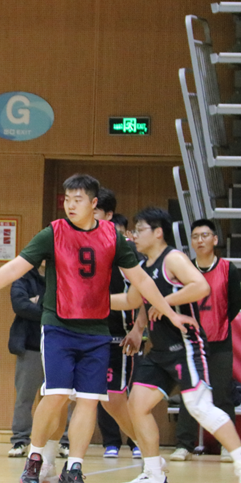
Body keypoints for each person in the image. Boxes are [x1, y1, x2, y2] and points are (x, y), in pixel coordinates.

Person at [0, 174, 196, 483]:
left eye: (78, 200)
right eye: (67, 200)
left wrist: (169, 312)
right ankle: (35, 459)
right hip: (59, 327)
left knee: (88, 401)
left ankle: (74, 468)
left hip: (96, 331)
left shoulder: (112, 236)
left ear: (94, 203)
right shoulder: (53, 232)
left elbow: (141, 280)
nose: (70, 205)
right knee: (56, 395)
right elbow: (16, 267)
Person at [112, 207, 241, 483]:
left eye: (140, 229)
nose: (135, 235)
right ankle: (153, 473)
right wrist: (93, 301)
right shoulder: (142, 267)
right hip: (159, 351)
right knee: (137, 405)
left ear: (158, 232)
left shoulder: (174, 259)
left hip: (186, 346)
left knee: (200, 407)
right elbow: (132, 301)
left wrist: (164, 302)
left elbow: (201, 286)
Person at [170, 219, 241, 463]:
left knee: (222, 394)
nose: (199, 240)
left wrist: (217, 323)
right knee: (190, 394)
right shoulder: (183, 269)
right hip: (191, 342)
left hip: (220, 341)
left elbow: (234, 305)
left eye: (204, 235)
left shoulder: (228, 269)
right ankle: (184, 445)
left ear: (215, 239)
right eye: (195, 236)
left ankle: (227, 446)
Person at [91, 193, 141, 460]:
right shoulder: (77, 244)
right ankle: (58, 460)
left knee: (114, 398)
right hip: (83, 335)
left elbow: (144, 295)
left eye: (94, 210)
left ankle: (142, 445)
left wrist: (139, 329)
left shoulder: (126, 251)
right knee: (80, 399)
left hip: (117, 337)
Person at [7, 263, 46, 457]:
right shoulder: (23, 278)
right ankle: (20, 440)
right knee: (24, 397)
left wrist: (37, 304)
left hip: (58, 347)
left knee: (61, 397)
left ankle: (63, 441)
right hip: (31, 346)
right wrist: (48, 312)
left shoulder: (62, 275)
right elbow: (20, 305)